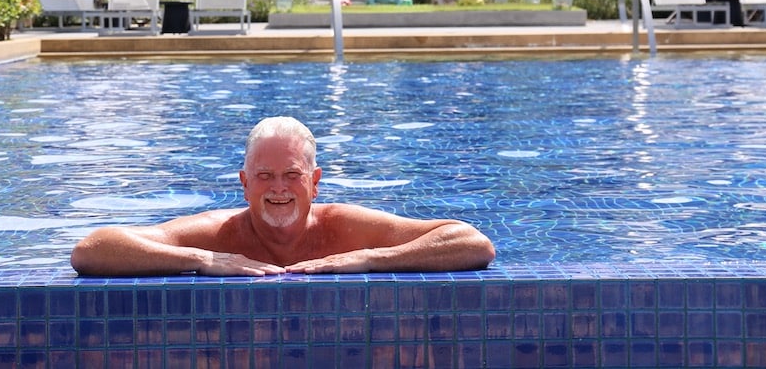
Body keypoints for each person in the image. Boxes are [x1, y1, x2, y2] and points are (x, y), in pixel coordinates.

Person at [70, 115, 496, 277]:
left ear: (315, 182)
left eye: (292, 175)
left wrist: (372, 258)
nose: (277, 188)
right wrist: (199, 259)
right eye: (264, 176)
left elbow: (472, 242)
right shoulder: (218, 236)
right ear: (244, 183)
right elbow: (91, 249)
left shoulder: (345, 229)